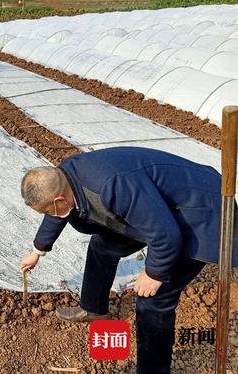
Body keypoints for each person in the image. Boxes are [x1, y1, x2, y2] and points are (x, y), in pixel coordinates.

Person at [19, 147, 237, 374]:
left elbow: (166, 234)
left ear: (59, 199)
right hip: (158, 211)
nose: (51, 214)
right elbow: (57, 212)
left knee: (153, 298)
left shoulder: (113, 186)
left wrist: (154, 273)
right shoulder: (64, 177)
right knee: (101, 247)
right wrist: (37, 251)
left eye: (50, 210)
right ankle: (94, 309)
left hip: (200, 214)